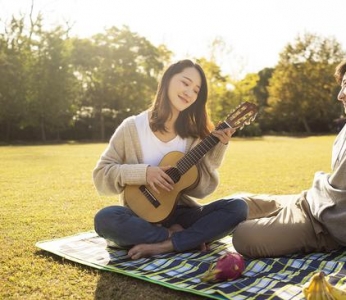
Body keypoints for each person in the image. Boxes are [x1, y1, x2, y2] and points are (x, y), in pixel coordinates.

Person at [93, 59, 248, 260]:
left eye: (196, 90)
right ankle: (178, 238)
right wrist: (144, 173)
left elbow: (202, 189)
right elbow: (101, 175)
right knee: (105, 219)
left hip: (181, 214)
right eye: (185, 83)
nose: (189, 93)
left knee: (238, 207)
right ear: (167, 80)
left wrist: (220, 147)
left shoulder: (194, 136)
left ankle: (164, 246)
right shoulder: (132, 128)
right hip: (141, 217)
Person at [232, 60, 346, 258]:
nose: (340, 95)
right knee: (235, 202)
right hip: (309, 200)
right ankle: (173, 229)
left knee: (243, 236)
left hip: (322, 227)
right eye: (343, 85)